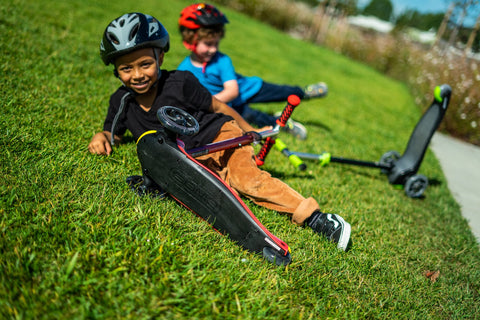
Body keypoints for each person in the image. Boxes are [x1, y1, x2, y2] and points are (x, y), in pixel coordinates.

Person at [88, 12, 351, 251]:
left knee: (247, 181)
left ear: (160, 57)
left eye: (145, 64)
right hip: (191, 158)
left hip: (221, 138)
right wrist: (101, 137)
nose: (137, 75)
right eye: (126, 68)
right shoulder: (121, 101)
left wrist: (250, 131)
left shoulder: (180, 83)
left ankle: (318, 219)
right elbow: (113, 132)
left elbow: (218, 105)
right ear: (116, 70)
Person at [177, 3, 328, 140]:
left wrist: (207, 103)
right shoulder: (184, 69)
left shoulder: (222, 60)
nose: (213, 49)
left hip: (249, 88)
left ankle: (304, 92)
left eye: (216, 43)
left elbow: (232, 91)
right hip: (231, 106)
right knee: (252, 117)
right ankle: (283, 123)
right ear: (190, 40)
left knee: (283, 92)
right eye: (208, 44)